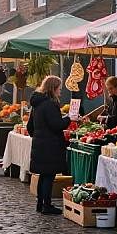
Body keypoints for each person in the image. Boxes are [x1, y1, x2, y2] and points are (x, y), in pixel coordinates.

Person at [27, 75, 71, 215]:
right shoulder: (50, 104)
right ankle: (47, 205)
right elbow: (56, 125)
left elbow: (30, 127)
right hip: (50, 145)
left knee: (43, 175)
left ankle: (40, 204)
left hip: (40, 144)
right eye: (59, 88)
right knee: (49, 176)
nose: (60, 91)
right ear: (53, 89)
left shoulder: (37, 104)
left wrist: (38, 137)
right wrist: (69, 119)